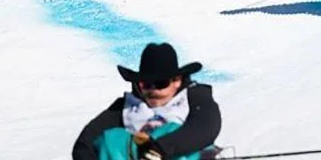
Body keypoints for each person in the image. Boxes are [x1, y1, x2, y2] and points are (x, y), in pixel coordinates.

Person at [73, 42, 221, 160]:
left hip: (178, 154)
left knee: (171, 129)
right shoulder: (126, 107)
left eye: (161, 83)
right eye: (146, 84)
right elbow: (85, 143)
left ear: (177, 81)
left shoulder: (194, 97)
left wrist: (159, 148)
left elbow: (205, 127)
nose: (153, 90)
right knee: (112, 139)